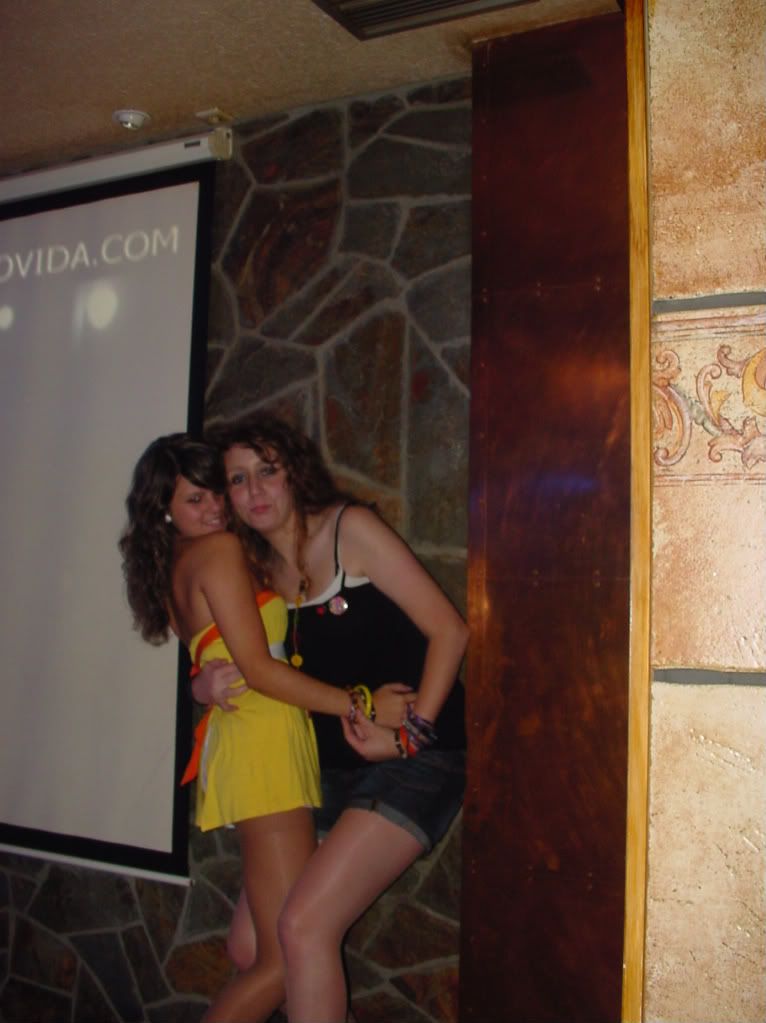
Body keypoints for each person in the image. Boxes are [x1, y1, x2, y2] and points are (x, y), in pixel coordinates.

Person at [118, 433, 408, 1023]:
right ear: (164, 510)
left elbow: (216, 663)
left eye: (214, 493)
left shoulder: (176, 565)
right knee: (282, 960)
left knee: (259, 948)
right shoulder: (219, 550)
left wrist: (201, 686)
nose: (214, 508)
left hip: (248, 740)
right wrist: (360, 705)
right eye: (194, 499)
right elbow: (257, 669)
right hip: (264, 742)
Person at [196, 413, 469, 1023]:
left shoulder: (350, 530)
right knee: (252, 947)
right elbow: (244, 664)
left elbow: (450, 630)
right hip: (324, 769)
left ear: (294, 472)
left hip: (419, 757)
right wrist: (201, 684)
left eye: (267, 471)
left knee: (303, 927)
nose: (255, 490)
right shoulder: (255, 572)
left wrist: (408, 736)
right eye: (237, 480)